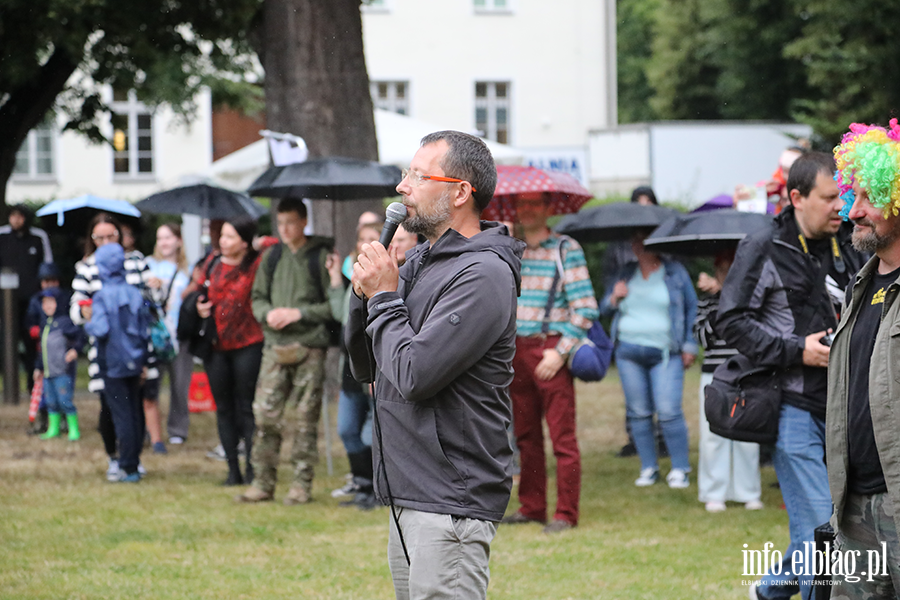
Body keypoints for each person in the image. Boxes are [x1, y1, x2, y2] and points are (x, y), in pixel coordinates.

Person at [345, 130, 524, 599]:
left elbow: (412, 374)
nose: (403, 186)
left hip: (451, 500)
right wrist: (366, 290)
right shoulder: (423, 260)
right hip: (411, 490)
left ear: (460, 192)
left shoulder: (483, 274)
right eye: (407, 173)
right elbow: (366, 363)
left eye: (419, 176)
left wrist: (384, 293)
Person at [717, 152, 866, 600]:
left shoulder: (850, 243)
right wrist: (796, 350)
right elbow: (731, 321)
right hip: (792, 408)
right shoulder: (763, 245)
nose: (841, 208)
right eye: (828, 199)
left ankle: (769, 591)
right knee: (822, 532)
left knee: (824, 528)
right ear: (796, 197)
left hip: (844, 410)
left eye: (843, 197)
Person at [825, 120, 900, 598]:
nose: (854, 211)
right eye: (852, 195)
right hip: (854, 504)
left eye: (869, 197)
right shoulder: (860, 285)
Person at [500, 191, 599, 533]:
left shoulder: (565, 249)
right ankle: (532, 506)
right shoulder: (510, 249)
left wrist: (560, 352)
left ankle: (566, 514)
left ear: (547, 209)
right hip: (515, 351)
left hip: (550, 349)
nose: (526, 210)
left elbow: (586, 307)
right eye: (521, 205)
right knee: (525, 437)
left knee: (562, 438)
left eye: (533, 204)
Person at [235, 198, 341, 505]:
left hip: (310, 347)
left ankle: (300, 485)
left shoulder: (321, 256)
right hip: (275, 347)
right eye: (280, 223)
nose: (285, 229)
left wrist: (299, 313)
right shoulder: (271, 257)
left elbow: (332, 307)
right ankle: (262, 482)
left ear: (304, 222)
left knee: (305, 419)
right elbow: (257, 298)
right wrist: (268, 314)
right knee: (265, 416)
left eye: (291, 222)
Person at [601, 229, 698, 489]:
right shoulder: (625, 272)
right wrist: (614, 296)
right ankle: (648, 467)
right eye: (634, 241)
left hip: (666, 352)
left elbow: (692, 308)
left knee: (668, 411)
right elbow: (603, 308)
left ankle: (679, 468)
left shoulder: (674, 272)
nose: (638, 245)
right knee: (639, 412)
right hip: (628, 352)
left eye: (644, 241)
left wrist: (690, 345)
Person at [70, 213, 152, 481]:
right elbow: (144, 322)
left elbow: (101, 328)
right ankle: (134, 461)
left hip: (112, 360)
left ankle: (126, 465)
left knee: (121, 413)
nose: (104, 241)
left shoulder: (103, 296)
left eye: (110, 236)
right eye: (99, 237)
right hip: (136, 356)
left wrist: (90, 323)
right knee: (135, 411)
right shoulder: (133, 292)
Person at [196, 216, 273, 486]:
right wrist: (198, 306)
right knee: (224, 409)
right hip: (216, 347)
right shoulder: (212, 262)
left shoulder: (255, 263)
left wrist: (259, 242)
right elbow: (198, 290)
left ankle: (253, 469)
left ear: (244, 242)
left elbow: (278, 244)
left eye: (229, 237)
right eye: (222, 236)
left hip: (248, 345)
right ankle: (232, 470)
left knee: (247, 409)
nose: (222, 241)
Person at [694, 250, 763, 512]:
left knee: (747, 434)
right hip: (714, 373)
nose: (727, 273)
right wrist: (721, 302)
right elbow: (703, 339)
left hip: (745, 372)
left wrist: (732, 298)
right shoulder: (707, 302)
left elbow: (753, 335)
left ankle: (748, 491)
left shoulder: (752, 300)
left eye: (732, 268)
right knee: (713, 435)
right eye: (722, 268)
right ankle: (714, 492)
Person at [603, 187, 668, 459]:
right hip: (629, 333)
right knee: (634, 395)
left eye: (649, 205)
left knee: (664, 394)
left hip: (661, 335)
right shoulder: (617, 250)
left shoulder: (667, 246)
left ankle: (663, 439)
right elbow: (605, 299)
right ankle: (636, 440)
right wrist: (614, 296)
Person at [329, 221, 380, 509]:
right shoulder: (354, 282)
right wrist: (337, 279)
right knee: (347, 429)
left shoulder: (390, 280)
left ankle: (377, 489)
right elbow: (341, 315)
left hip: (377, 369)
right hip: (351, 369)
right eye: (361, 239)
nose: (365, 244)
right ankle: (361, 485)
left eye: (372, 238)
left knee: (369, 433)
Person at [145, 223, 192, 446]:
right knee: (150, 384)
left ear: (178, 241)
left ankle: (178, 429)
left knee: (180, 385)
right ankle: (148, 428)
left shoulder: (188, 270)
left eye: (168, 237)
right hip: (155, 335)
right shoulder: (147, 266)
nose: (164, 242)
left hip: (180, 335)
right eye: (160, 238)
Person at [0, 204, 53, 394]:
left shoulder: (38, 237)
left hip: (32, 301)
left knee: (32, 343)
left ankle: (34, 386)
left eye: (19, 216)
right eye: (12, 216)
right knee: (6, 343)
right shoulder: (2, 236)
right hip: (6, 303)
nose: (16, 220)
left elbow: (47, 266)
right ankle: (8, 388)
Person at [33, 287, 84, 441]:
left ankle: (73, 429)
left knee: (65, 400)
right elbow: (42, 350)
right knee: (51, 402)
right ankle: (53, 428)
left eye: (50, 302)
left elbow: (81, 336)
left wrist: (75, 350)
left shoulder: (65, 323)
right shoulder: (45, 324)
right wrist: (38, 367)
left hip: (62, 371)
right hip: (48, 373)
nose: (47, 306)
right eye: (44, 303)